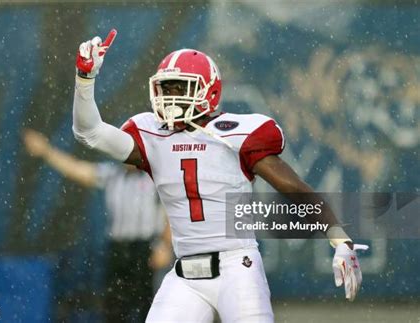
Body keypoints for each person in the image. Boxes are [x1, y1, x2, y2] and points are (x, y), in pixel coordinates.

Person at [72, 30, 368, 322]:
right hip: (185, 275)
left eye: (179, 88)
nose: (169, 97)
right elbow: (90, 133)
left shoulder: (234, 134)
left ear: (208, 91)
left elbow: (293, 188)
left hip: (236, 268)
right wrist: (85, 80)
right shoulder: (151, 134)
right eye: (166, 88)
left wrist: (339, 238)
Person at [22, 128, 172, 322]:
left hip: (146, 248)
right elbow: (76, 169)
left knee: (149, 305)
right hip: (119, 249)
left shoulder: (155, 178)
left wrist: (165, 246)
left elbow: (171, 212)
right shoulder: (112, 175)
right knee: (115, 306)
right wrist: (47, 151)